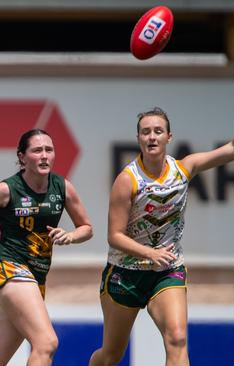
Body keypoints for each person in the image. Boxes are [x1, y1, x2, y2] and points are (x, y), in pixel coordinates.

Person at [89, 107, 234, 366]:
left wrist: (159, 258)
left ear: (169, 137)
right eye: (146, 132)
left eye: (158, 131)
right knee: (111, 355)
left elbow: (229, 151)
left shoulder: (184, 169)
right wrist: (149, 253)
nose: (152, 137)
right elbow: (114, 236)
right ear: (138, 139)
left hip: (168, 270)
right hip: (125, 274)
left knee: (177, 339)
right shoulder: (127, 180)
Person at [0, 128, 93, 366]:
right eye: (37, 150)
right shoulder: (6, 189)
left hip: (36, 276)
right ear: (22, 157)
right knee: (46, 342)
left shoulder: (63, 187)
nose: (44, 156)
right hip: (8, 267)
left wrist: (70, 236)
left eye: (49, 150)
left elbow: (87, 228)